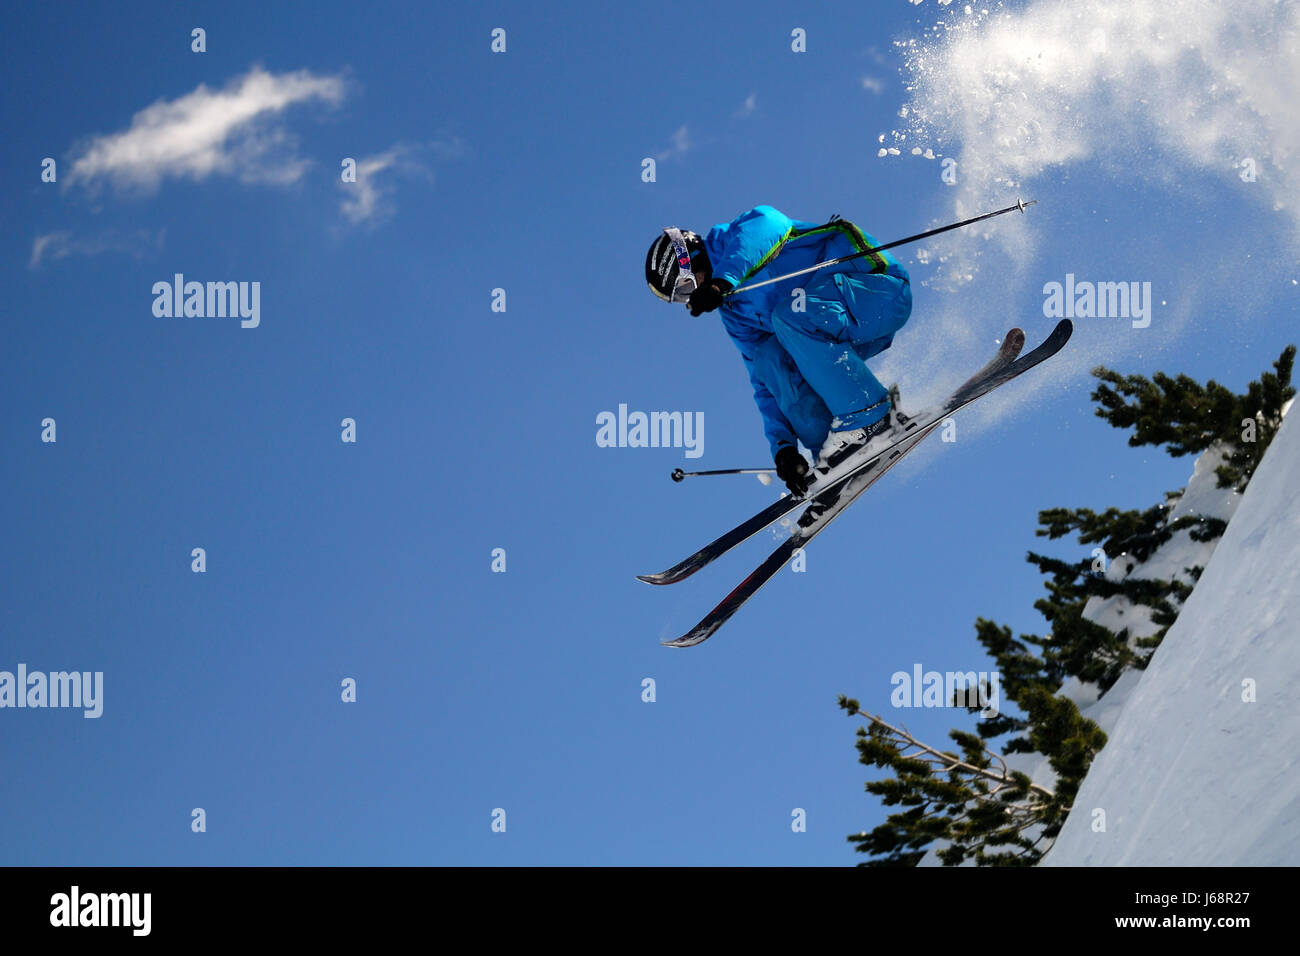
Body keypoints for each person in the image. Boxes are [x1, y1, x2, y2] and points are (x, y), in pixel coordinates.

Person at [645, 205, 912, 496]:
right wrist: (783, 447)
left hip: (876, 291)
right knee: (770, 359)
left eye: (685, 288)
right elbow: (763, 383)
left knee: (789, 315)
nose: (688, 299)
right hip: (836, 333)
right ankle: (834, 457)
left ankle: (870, 417)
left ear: (692, 258)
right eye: (680, 298)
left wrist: (723, 281)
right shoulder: (734, 314)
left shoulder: (742, 232)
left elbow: (768, 227)